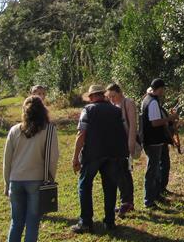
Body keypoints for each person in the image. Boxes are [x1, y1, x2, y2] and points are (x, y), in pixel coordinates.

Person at [3, 96, 59, 242]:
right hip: (36, 181)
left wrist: (6, 182)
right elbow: (52, 158)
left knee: (16, 222)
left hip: (15, 181)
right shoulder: (48, 130)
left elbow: (7, 161)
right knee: (32, 224)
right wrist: (50, 179)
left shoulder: (14, 131)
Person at [71, 84, 128, 233]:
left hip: (92, 154)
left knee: (84, 186)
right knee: (110, 187)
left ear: (91, 97)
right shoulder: (116, 111)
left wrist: (75, 157)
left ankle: (86, 222)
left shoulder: (88, 110)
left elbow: (81, 134)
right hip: (113, 154)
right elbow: (123, 132)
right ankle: (109, 221)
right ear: (102, 95)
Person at [140, 78, 176, 208]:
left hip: (150, 140)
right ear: (159, 89)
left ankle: (155, 195)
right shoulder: (153, 102)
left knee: (155, 170)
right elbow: (155, 122)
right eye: (163, 89)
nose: (163, 91)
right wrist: (170, 118)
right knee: (152, 171)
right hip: (153, 141)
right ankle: (149, 201)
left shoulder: (146, 99)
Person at [105, 83, 139, 216]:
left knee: (124, 172)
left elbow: (132, 126)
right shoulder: (113, 105)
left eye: (113, 96)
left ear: (119, 92)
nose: (112, 99)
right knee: (119, 172)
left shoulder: (128, 103)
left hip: (125, 144)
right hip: (117, 145)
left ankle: (127, 202)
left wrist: (130, 146)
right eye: (109, 97)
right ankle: (125, 201)